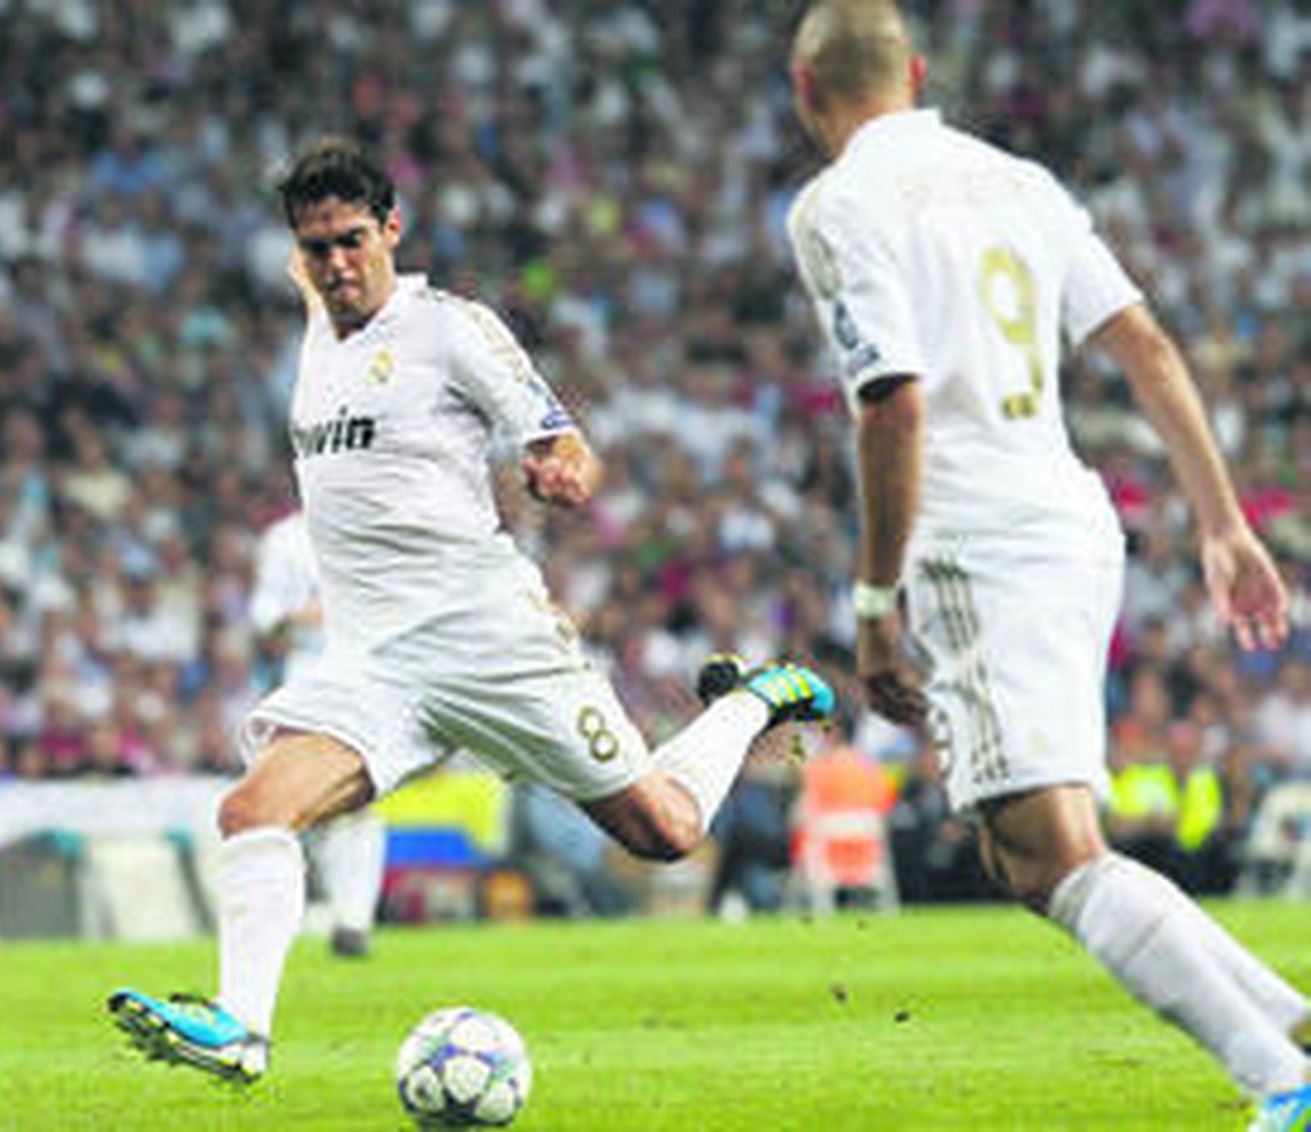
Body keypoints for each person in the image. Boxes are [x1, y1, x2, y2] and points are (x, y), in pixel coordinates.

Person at [107, 137, 834, 1083]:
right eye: (316, 246)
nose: (335, 264)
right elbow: (308, 270)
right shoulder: (317, 319)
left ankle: (753, 701)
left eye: (353, 240)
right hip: (374, 665)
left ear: (393, 231)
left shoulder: (451, 328)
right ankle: (242, 1029)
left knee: (663, 832)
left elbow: (562, 435)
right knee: (253, 810)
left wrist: (562, 468)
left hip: (491, 640)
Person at [783, 4, 1308, 1128]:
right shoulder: (1018, 182)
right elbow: (1146, 347)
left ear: (802, 91)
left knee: (1044, 851)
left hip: (976, 538)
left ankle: (1282, 1081)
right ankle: (1289, 1029)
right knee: (1032, 840)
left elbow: (893, 401)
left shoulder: (837, 204)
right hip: (1071, 517)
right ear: (917, 74)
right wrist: (1221, 522)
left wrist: (874, 601)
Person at [249, 505, 388, 958]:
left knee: (362, 798)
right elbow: (264, 614)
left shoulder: (373, 522)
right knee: (308, 805)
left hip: (368, 675)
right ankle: (312, 912)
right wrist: (303, 615)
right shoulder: (286, 538)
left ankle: (354, 921)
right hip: (309, 677)